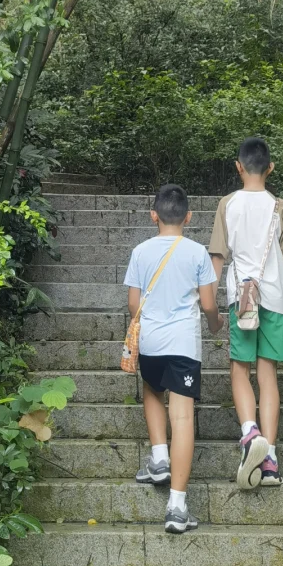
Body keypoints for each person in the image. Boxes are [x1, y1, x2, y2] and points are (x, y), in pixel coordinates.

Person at [208, 137, 283, 489]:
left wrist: (210, 304)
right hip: (276, 299)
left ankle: (250, 434)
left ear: (238, 167)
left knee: (240, 368)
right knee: (268, 374)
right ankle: (270, 462)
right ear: (270, 168)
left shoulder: (227, 204)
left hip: (243, 299)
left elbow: (218, 258)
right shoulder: (282, 207)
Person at [123, 183, 222, 534]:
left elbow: (134, 304)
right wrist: (215, 323)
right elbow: (209, 304)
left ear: (153, 216)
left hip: (150, 342)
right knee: (182, 417)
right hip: (182, 345)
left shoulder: (140, 251)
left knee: (152, 390)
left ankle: (160, 458)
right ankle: (177, 506)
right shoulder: (197, 253)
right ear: (189, 217)